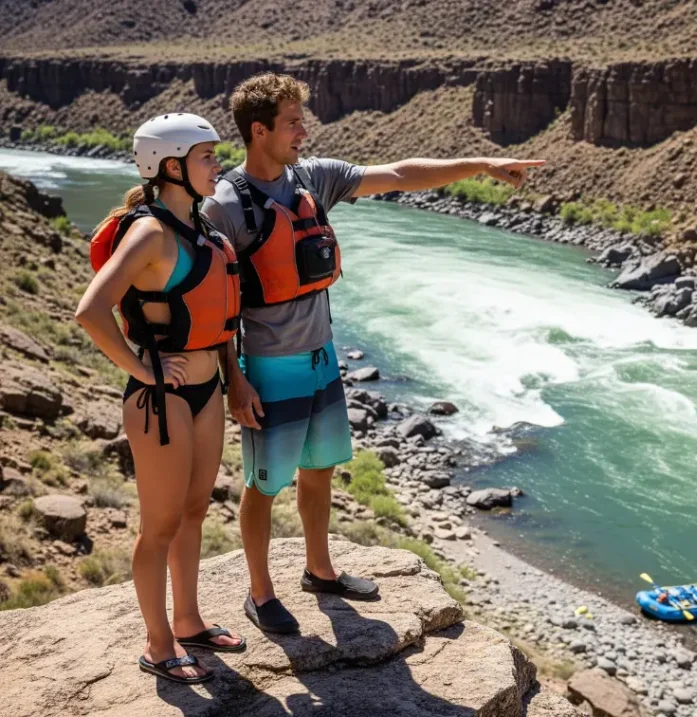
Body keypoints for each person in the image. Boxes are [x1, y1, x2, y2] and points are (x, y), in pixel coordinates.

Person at [202, 72, 545, 634]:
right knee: (264, 484)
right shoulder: (225, 207)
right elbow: (215, 306)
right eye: (293, 123)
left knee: (321, 469)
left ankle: (320, 570)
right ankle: (260, 593)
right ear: (259, 131)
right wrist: (233, 382)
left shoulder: (313, 178)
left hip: (321, 358)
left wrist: (482, 164)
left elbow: (402, 175)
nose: (304, 132)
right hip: (269, 367)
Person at [76, 113, 246, 684]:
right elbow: (91, 313)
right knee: (161, 525)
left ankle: (190, 621)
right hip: (163, 402)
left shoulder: (203, 231)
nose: (216, 165)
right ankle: (158, 643)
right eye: (206, 157)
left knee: (195, 511)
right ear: (170, 165)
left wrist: (234, 378)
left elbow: (218, 323)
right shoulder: (149, 233)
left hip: (207, 391)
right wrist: (143, 368)